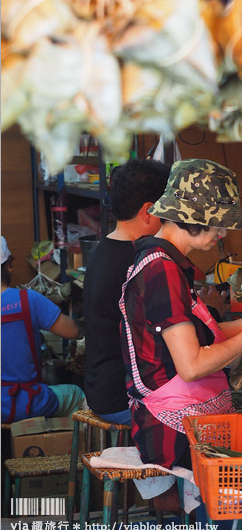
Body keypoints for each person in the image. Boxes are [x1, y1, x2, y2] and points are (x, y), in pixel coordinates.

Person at [120, 158, 242, 474]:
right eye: (219, 224)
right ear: (193, 219)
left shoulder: (170, 263)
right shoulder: (160, 270)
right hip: (174, 433)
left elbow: (207, 331)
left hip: (193, 420)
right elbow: (192, 366)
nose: (223, 233)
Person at [83, 158, 170, 425]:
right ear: (148, 210)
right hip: (124, 399)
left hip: (100, 388)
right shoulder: (139, 262)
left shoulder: (102, 250)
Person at [1, 236, 86, 423]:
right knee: (76, 394)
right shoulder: (27, 300)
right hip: (28, 402)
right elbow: (72, 331)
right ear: (9, 266)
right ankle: (66, 448)